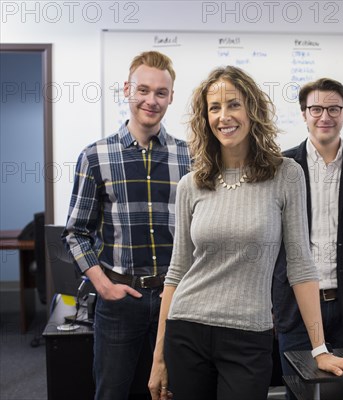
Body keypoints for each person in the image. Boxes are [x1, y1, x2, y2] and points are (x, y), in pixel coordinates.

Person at [147, 66, 343, 400]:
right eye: (214, 108)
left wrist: (319, 347)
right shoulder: (192, 183)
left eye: (233, 104)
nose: (223, 116)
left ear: (252, 110)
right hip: (187, 330)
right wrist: (159, 356)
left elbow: (301, 266)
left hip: (249, 335)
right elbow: (177, 272)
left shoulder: (286, 175)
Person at [63, 51, 190, 400]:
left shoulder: (190, 157)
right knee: (113, 392)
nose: (151, 100)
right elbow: (76, 233)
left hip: (176, 301)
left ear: (171, 98)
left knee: (170, 392)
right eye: (143, 90)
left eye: (161, 93)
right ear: (127, 90)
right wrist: (103, 286)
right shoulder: (95, 156)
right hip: (120, 302)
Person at [272, 78, 343, 385]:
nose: (325, 117)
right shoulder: (281, 167)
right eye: (316, 109)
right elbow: (268, 240)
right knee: (298, 390)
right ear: (304, 113)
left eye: (334, 109)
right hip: (295, 308)